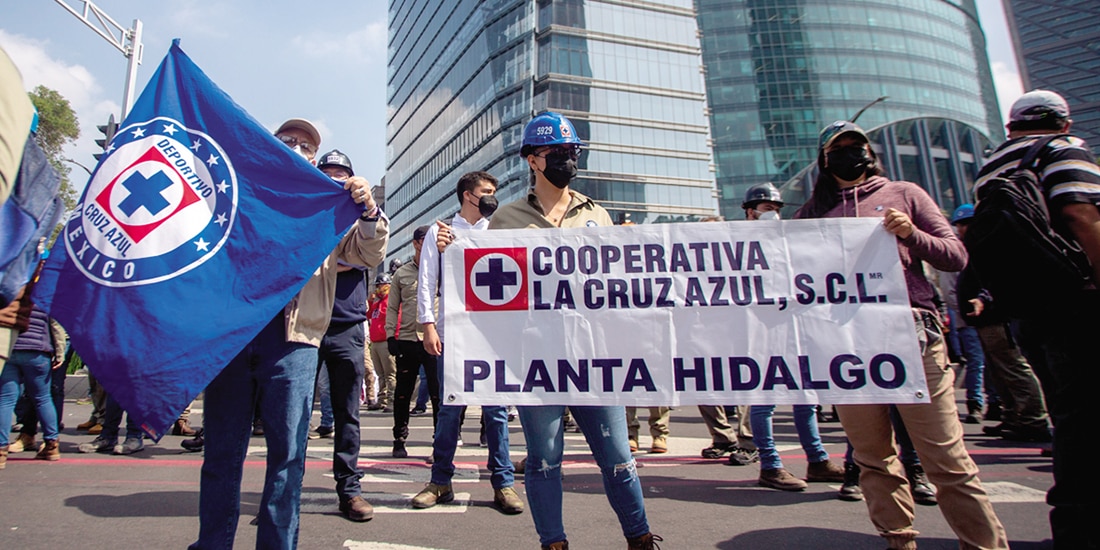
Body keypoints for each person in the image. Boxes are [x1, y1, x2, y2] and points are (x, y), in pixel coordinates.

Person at [795, 120, 1007, 550]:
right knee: (873, 458)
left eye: (856, 146)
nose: (850, 154)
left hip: (912, 336)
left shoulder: (907, 195)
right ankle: (899, 540)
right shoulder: (813, 212)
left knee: (946, 459)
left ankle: (984, 544)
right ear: (824, 159)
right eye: (839, 148)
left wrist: (912, 234)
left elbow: (956, 256)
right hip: (849, 346)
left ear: (870, 152)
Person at [190, 118, 387, 549]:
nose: (297, 148)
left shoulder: (325, 208)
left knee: (287, 458)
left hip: (295, 342)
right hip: (234, 336)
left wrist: (369, 211)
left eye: (306, 146)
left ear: (315, 161)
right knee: (221, 454)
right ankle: (213, 542)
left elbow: (366, 251)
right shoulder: (240, 191)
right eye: (288, 141)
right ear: (271, 146)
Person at [486, 112, 659, 550]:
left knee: (619, 458)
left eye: (573, 152)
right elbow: (485, 286)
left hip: (595, 358)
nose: (568, 159)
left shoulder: (597, 214)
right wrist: (453, 254)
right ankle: (554, 543)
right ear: (533, 160)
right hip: (536, 361)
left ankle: (639, 539)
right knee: (544, 461)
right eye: (558, 152)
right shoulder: (505, 221)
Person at [972, 90, 1100, 548]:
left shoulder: (990, 169)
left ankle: (1074, 522)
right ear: (1063, 122)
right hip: (1079, 302)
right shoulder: (1063, 151)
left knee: (1072, 418)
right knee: (1086, 422)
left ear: (1011, 126)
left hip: (1027, 310)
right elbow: (1082, 216)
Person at [410, 171, 524, 515]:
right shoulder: (441, 232)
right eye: (486, 192)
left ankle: (503, 482)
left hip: (493, 334)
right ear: (467, 195)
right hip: (454, 332)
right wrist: (428, 325)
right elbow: (427, 279)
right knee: (449, 410)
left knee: (496, 411)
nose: (492, 197)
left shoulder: (498, 230)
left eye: (494, 191)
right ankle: (440, 480)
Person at [736, 183, 846, 490]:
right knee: (764, 400)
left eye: (775, 209)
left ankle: (818, 460)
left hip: (796, 327)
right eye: (766, 209)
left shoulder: (788, 241)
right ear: (750, 212)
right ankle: (771, 465)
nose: (773, 214)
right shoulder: (735, 242)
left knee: (806, 397)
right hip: (761, 331)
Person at [307, 149, 373, 521]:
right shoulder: (306, 214)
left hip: (347, 325)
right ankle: (283, 491)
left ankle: (349, 490)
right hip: (304, 324)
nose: (335, 180)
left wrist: (345, 255)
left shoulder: (362, 215)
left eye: (341, 174)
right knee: (295, 415)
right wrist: (341, 258)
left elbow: (368, 254)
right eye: (327, 173)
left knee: (348, 413)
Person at [951, 204, 1051, 442]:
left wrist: (982, 298)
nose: (963, 229)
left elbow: (996, 278)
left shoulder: (990, 246)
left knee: (1013, 367)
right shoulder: (974, 248)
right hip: (982, 321)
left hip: (998, 318)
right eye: (960, 224)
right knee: (998, 371)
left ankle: (1032, 419)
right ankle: (1012, 416)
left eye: (967, 223)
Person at [387, 225, 440, 459]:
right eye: (425, 240)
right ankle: (399, 438)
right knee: (403, 392)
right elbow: (392, 307)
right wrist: (391, 335)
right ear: (417, 244)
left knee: (439, 394)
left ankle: (440, 442)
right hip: (408, 339)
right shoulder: (402, 273)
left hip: (435, 339)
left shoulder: (443, 269)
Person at [367, 272, 396, 412]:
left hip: (385, 340)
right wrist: (371, 302)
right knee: (381, 374)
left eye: (381, 284)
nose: (379, 287)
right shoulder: (377, 300)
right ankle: (382, 399)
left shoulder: (390, 299)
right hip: (376, 341)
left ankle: (392, 400)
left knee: (390, 373)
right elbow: (368, 314)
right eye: (377, 285)